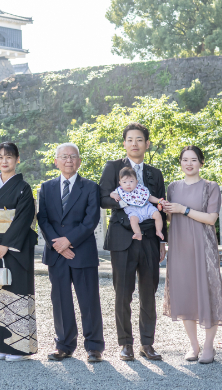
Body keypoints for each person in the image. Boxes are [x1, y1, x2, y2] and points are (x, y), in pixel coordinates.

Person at [99, 122, 167, 361]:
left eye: (139, 140)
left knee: (149, 291)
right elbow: (103, 199)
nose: (134, 144)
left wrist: (163, 241)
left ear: (147, 144)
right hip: (122, 238)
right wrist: (124, 201)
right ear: (124, 143)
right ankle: (125, 343)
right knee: (123, 293)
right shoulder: (113, 167)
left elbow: (161, 207)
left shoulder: (155, 173)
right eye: (130, 139)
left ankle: (147, 343)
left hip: (150, 239)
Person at [161, 146, 222, 364]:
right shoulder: (172, 187)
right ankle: (193, 345)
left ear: (201, 162)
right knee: (185, 294)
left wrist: (184, 209)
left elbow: (211, 219)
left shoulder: (210, 186)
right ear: (180, 163)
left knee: (208, 292)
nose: (189, 164)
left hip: (203, 245)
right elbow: (171, 218)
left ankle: (209, 346)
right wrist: (166, 210)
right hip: (179, 246)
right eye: (185, 160)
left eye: (193, 160)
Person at [37, 143, 105, 363]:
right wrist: (58, 245)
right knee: (60, 300)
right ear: (55, 161)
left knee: (89, 300)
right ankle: (64, 345)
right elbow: (43, 219)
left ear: (79, 161)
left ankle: (94, 346)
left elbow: (91, 219)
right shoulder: (46, 187)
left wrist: (68, 241)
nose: (68, 160)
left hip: (82, 252)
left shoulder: (90, 187)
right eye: (64, 157)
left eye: (73, 157)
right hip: (56, 254)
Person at [0, 142, 38, 361]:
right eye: (0, 157)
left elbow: (24, 218)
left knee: (17, 293)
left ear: (17, 159)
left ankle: (20, 349)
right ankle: (0, 346)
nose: (4, 161)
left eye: (9, 157)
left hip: (14, 248)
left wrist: (6, 244)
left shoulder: (23, 188)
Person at [110, 167, 165, 241]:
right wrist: (114, 195)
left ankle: (158, 231)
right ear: (120, 183)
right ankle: (138, 233)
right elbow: (111, 194)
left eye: (131, 181)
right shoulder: (120, 190)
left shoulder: (140, 189)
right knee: (133, 220)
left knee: (157, 215)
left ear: (136, 181)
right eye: (124, 182)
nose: (128, 184)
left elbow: (149, 197)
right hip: (133, 211)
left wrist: (159, 201)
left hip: (146, 208)